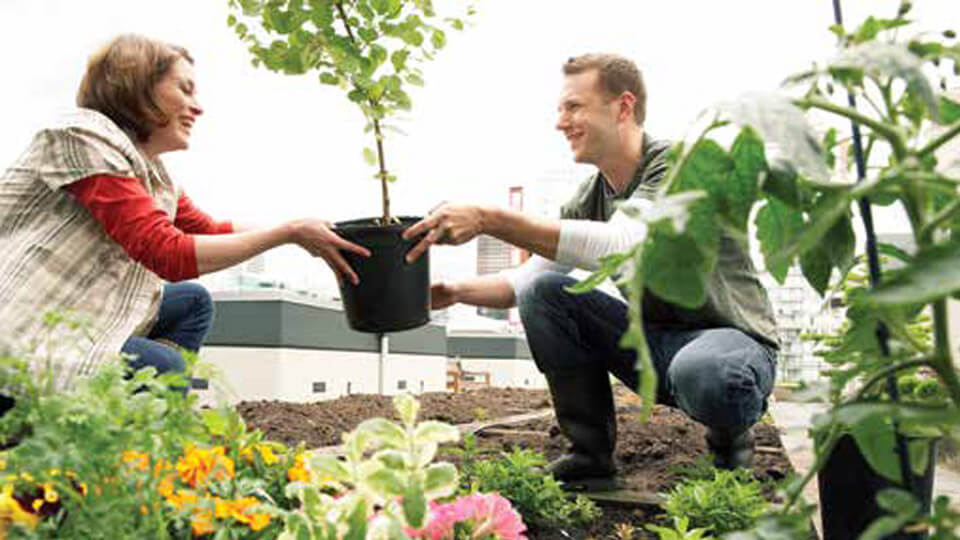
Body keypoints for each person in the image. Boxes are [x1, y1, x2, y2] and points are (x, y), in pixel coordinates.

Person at [403, 54, 779, 488]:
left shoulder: (679, 165)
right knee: (544, 292)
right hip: (654, 345)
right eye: (561, 109)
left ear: (622, 107)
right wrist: (451, 290)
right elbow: (523, 284)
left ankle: (731, 438)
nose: (561, 122)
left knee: (708, 373)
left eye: (574, 107)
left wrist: (490, 218)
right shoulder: (588, 198)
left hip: (730, 345)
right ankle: (589, 454)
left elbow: (623, 245)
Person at [0, 34, 369, 409]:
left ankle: (125, 415)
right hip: (20, 328)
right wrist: (287, 233)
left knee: (193, 302)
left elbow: (208, 231)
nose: (198, 107)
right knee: (163, 367)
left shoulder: (155, 177)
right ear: (138, 86)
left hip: (73, 309)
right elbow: (167, 253)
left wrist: (302, 234)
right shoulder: (83, 137)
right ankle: (103, 435)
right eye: (185, 89)